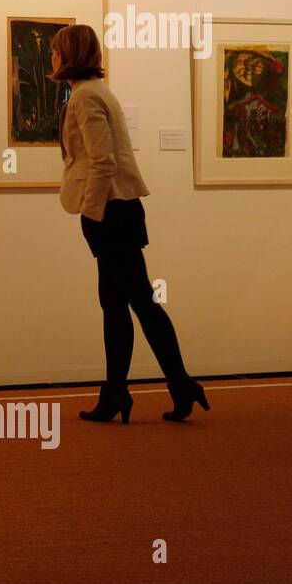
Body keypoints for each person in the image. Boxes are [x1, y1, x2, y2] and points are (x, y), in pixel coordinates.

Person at [51, 24, 210, 424]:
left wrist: (91, 212)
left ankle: (141, 389)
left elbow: (102, 161)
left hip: (110, 211)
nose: (50, 58)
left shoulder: (85, 97)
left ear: (69, 54)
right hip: (119, 208)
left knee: (129, 303)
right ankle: (149, 388)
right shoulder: (95, 92)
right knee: (128, 302)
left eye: (55, 51)